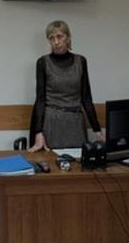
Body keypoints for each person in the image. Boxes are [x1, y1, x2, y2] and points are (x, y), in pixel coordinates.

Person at [28, 20, 103, 151]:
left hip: (75, 122)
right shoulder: (43, 62)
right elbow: (40, 100)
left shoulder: (81, 61)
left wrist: (97, 130)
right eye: (51, 38)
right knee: (52, 160)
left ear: (68, 38)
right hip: (51, 122)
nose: (56, 42)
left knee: (78, 161)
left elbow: (86, 98)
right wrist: (38, 132)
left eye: (59, 36)